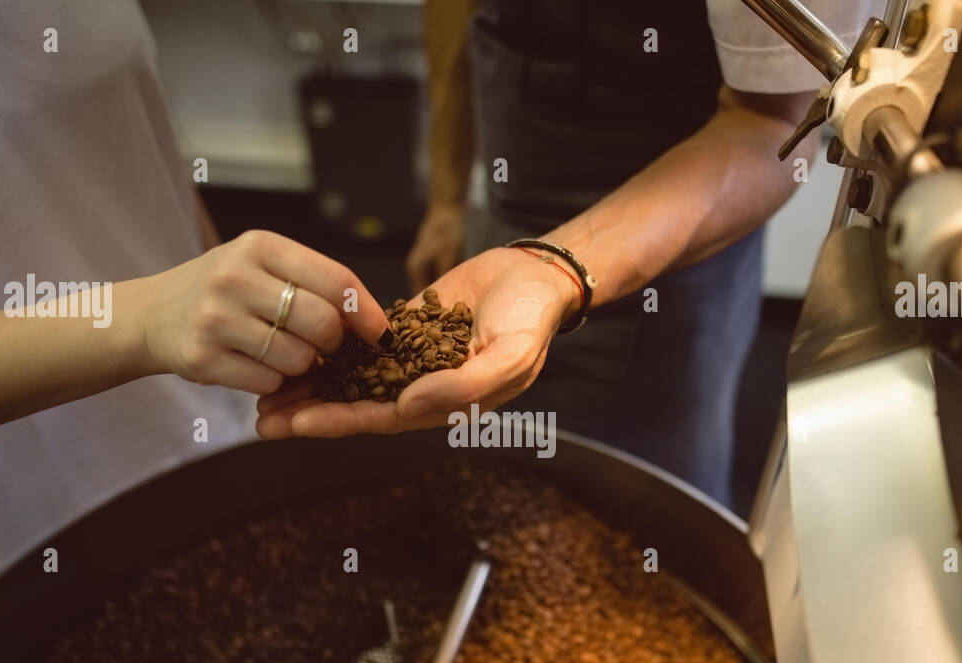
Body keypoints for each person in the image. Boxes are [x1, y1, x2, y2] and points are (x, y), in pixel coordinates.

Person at [0, 1, 387, 634]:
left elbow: (125, 143)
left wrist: (233, 321)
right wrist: (143, 318)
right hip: (2, 548)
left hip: (213, 456)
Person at [258, 0, 879, 507]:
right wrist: (449, 196)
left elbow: (774, 127)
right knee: (495, 483)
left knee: (633, 523)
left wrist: (555, 269)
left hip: (674, 231)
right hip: (513, 193)